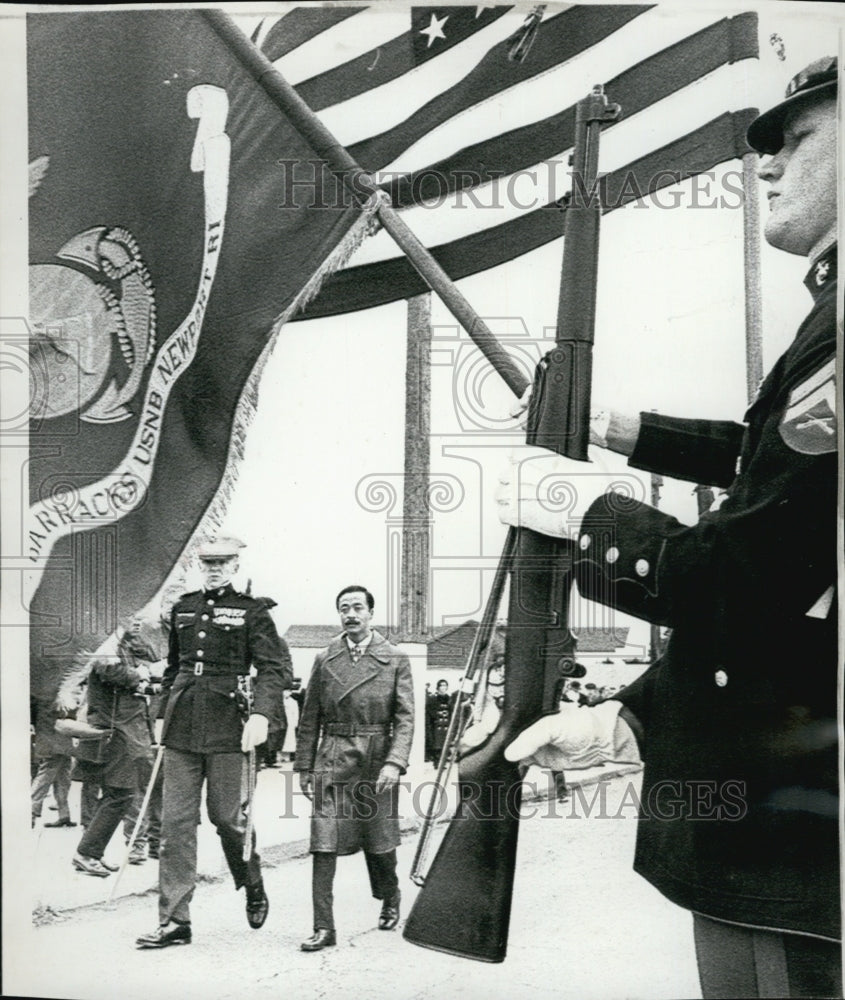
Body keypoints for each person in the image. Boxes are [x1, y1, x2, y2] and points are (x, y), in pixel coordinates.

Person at [498, 58, 839, 999]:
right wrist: (631, 723)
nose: (763, 163)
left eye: (795, 136)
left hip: (790, 839)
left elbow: (747, 578)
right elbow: (775, 480)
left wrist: (579, 508)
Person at [136, 537, 292, 949]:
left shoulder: (252, 611)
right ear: (198, 566)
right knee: (175, 826)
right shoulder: (183, 607)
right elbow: (174, 668)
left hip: (229, 724)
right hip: (184, 725)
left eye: (222, 563)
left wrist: (261, 714)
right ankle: (175, 921)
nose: (215, 569)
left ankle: (252, 879)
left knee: (227, 818)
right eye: (208, 563)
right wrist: (161, 716)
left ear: (235, 564)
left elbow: (275, 669)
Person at [295, 585, 414, 952]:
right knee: (323, 842)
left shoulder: (395, 658)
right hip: (332, 756)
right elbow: (309, 716)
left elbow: (406, 718)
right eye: (344, 608)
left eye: (358, 607)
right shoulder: (325, 657)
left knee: (379, 844)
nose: (351, 614)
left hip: (377, 759)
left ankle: (390, 896)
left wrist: (395, 763)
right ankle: (323, 927)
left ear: (371, 614)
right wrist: (304, 766)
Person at [71, 621, 158, 876]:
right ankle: (87, 853)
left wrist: (144, 680)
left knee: (116, 793)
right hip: (115, 730)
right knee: (121, 793)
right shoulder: (107, 643)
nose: (138, 622)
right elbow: (110, 670)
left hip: (121, 728)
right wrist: (141, 674)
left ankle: (90, 852)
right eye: (132, 617)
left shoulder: (124, 645)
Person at [31, 694, 78, 828]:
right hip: (54, 735)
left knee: (63, 775)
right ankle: (31, 811)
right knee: (47, 773)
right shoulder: (55, 686)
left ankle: (64, 815)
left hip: (57, 735)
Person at [425, 679, 451, 763]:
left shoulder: (449, 699)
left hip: (446, 725)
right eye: (441, 685)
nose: (443, 687)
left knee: (445, 744)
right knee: (437, 744)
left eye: (445, 685)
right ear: (438, 687)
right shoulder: (432, 699)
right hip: (436, 726)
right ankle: (437, 760)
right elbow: (430, 713)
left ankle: (443, 760)